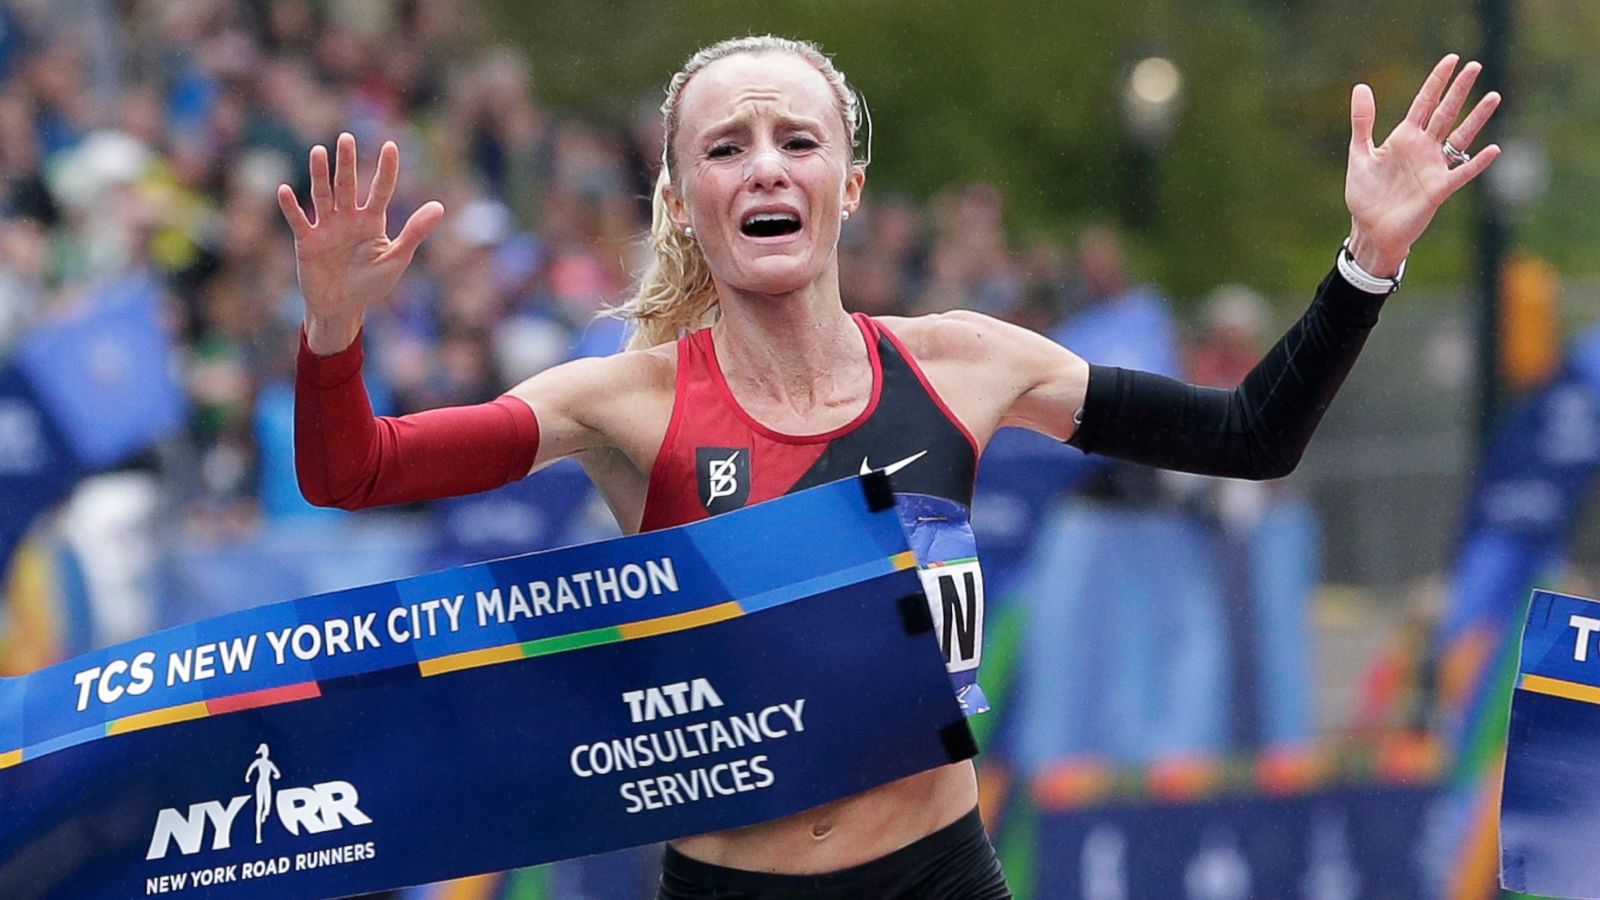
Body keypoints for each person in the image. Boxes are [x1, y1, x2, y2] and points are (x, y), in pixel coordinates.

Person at [279, 35, 1499, 900]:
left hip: (936, 875)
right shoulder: (628, 402)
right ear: (682, 202)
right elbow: (358, 472)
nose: (764, 165)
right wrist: (333, 329)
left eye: (795, 140)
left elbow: (1248, 437)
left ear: (845, 186)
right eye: (727, 147)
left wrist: (1365, 263)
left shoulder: (966, 366)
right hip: (726, 886)